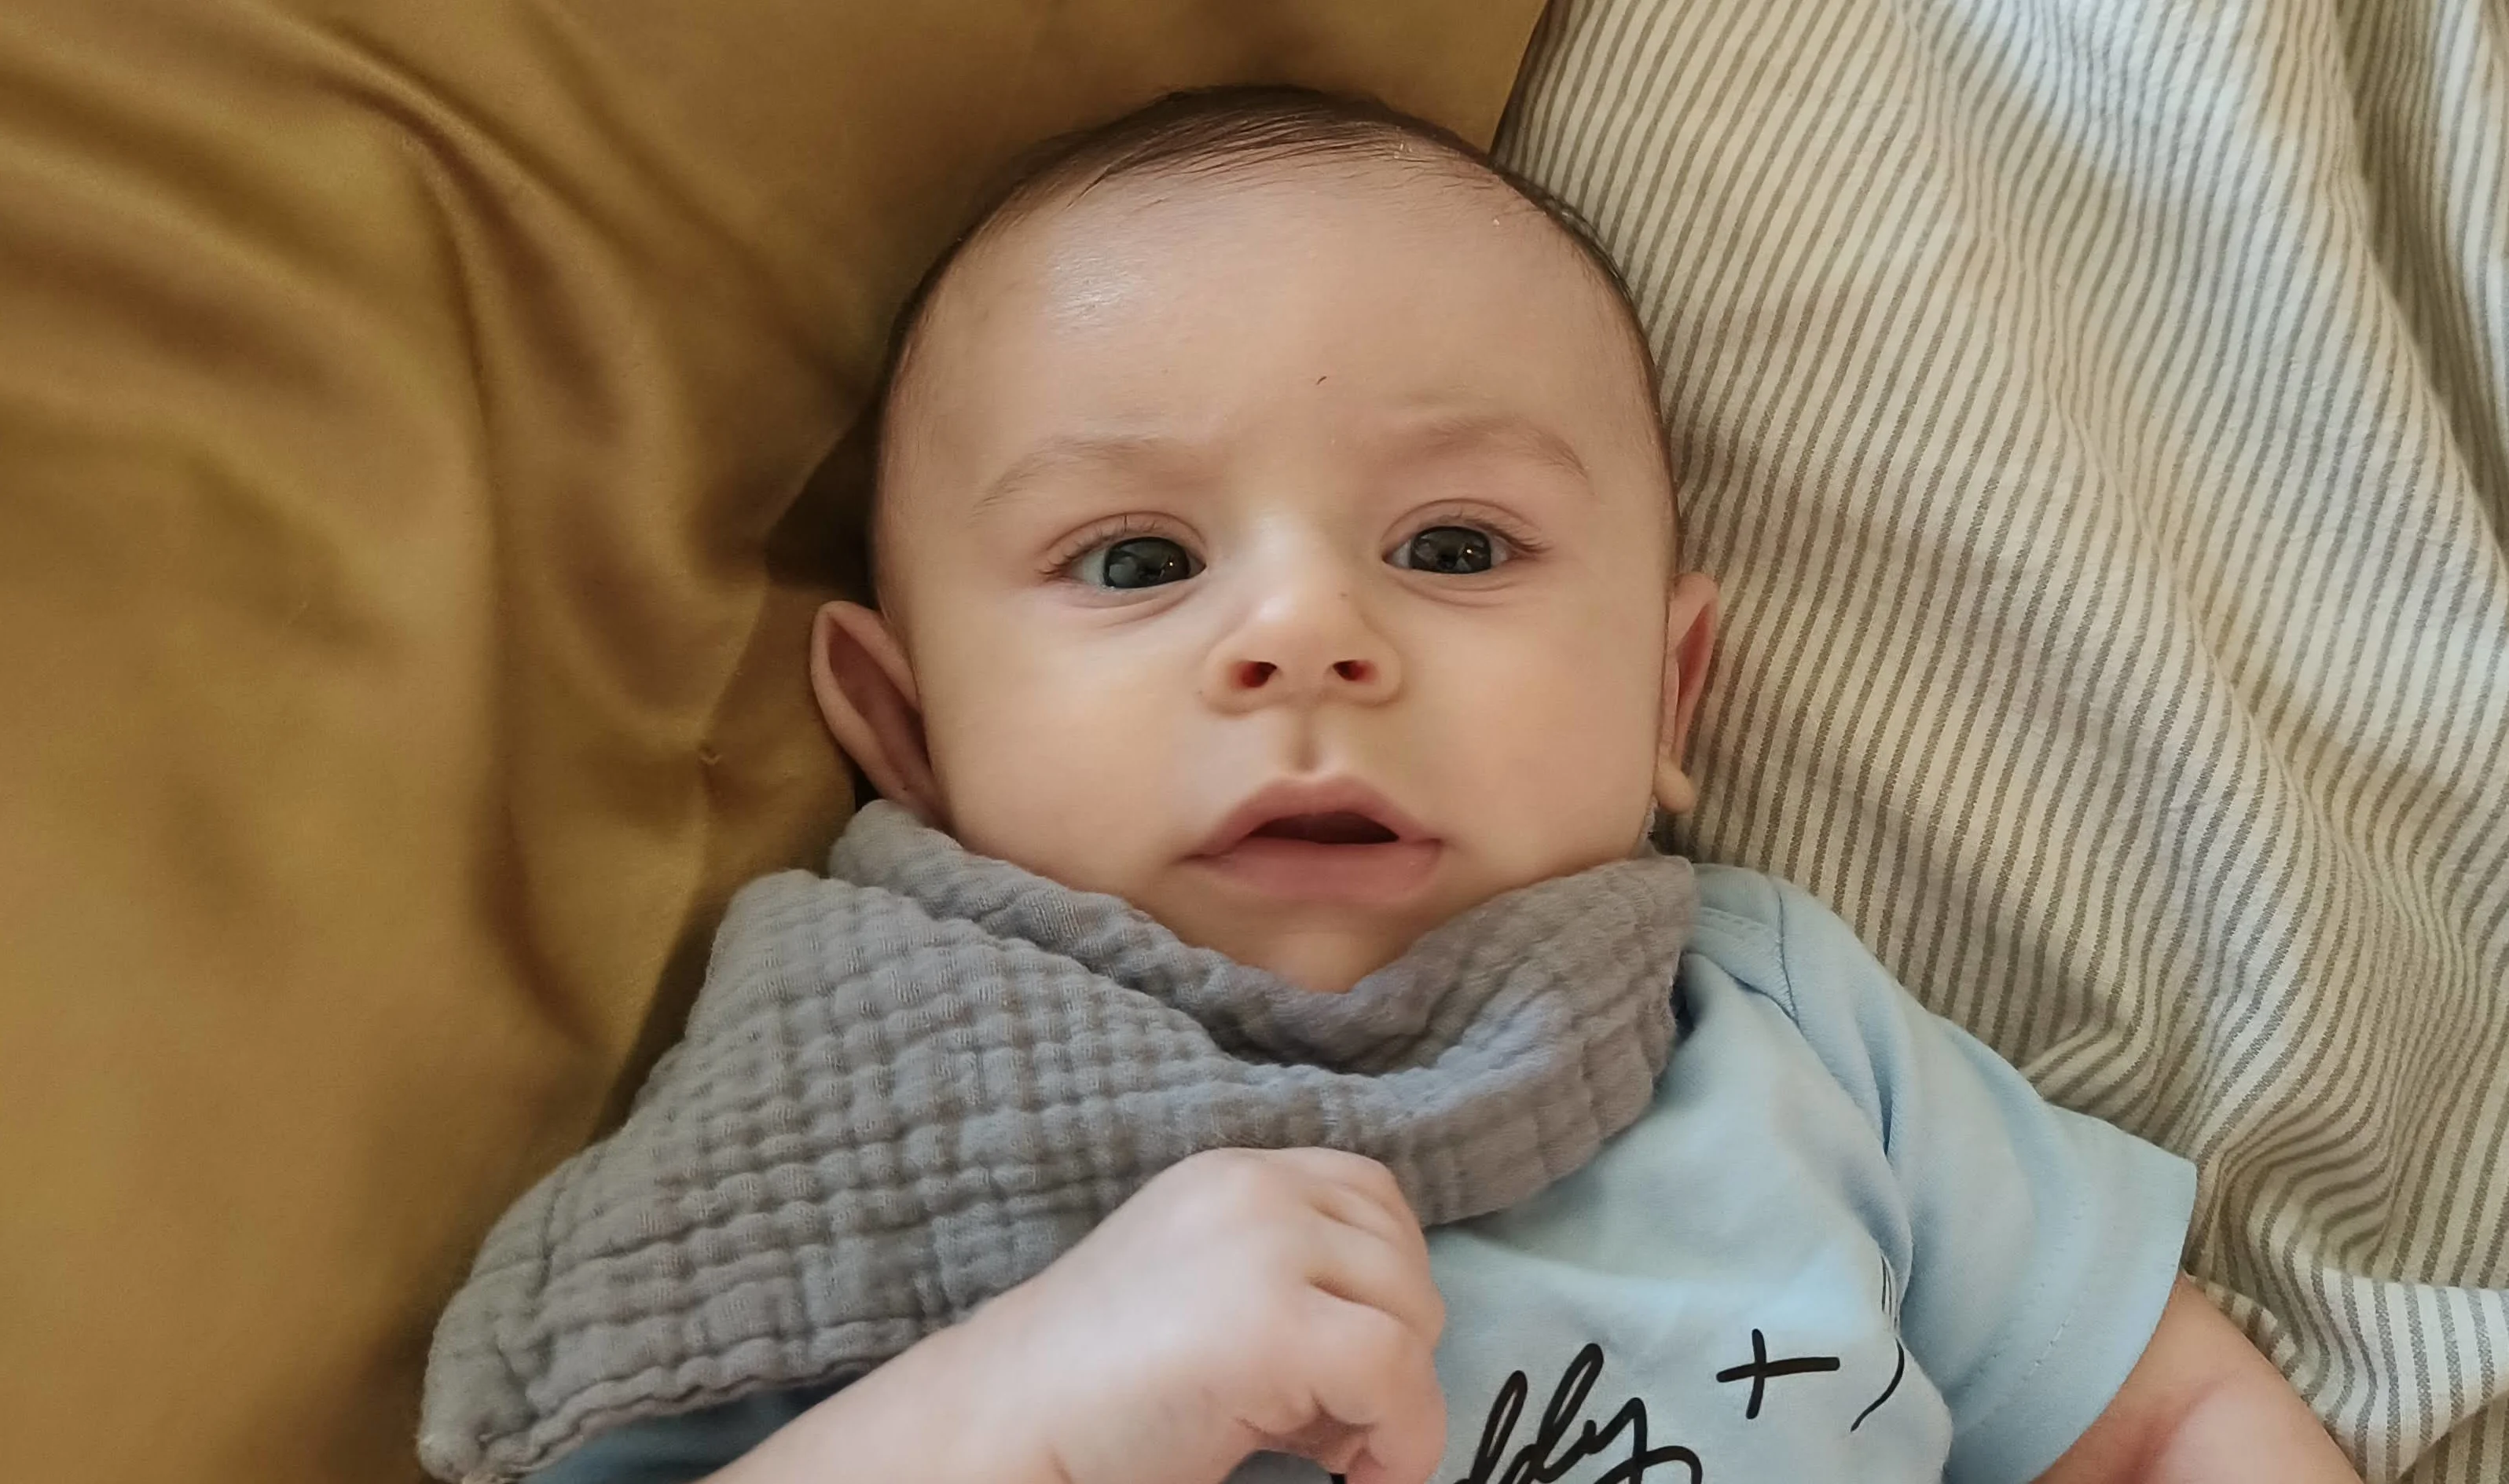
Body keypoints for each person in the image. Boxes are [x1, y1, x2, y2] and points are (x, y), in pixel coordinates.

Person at [443, 87, 2362, 1484]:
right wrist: (1011, 1408)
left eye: (1454, 547)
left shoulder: (1776, 1022)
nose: (1305, 635)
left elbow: (2167, 1414)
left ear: (1669, 687)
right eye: (1134, 559)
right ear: (910, 722)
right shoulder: (841, 1105)